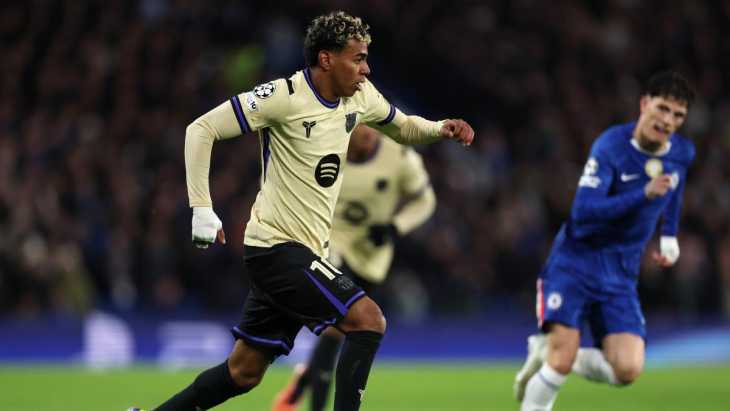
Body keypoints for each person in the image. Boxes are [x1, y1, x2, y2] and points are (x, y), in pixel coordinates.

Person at [128, 10, 474, 411]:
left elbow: (402, 127)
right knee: (368, 320)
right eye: (358, 59)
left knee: (243, 372)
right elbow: (201, 129)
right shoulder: (283, 97)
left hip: (307, 253)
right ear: (326, 59)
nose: (366, 69)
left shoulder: (360, 96)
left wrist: (440, 127)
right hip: (276, 249)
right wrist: (201, 207)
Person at [514, 71, 695, 411]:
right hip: (576, 264)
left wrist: (669, 236)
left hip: (620, 274)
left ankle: (547, 350)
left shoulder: (682, 152)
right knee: (560, 362)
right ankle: (555, 357)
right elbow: (583, 211)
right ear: (644, 104)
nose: (668, 121)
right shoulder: (611, 147)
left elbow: (675, 187)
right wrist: (642, 194)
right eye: (662, 108)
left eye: (678, 115)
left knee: (627, 368)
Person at [270, 124, 437, 411]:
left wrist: (396, 226)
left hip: (372, 258)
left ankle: (301, 384)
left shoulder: (400, 156)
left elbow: (425, 200)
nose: (370, 132)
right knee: (334, 331)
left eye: (375, 124)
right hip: (332, 246)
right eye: (363, 124)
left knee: (340, 332)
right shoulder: (326, 149)